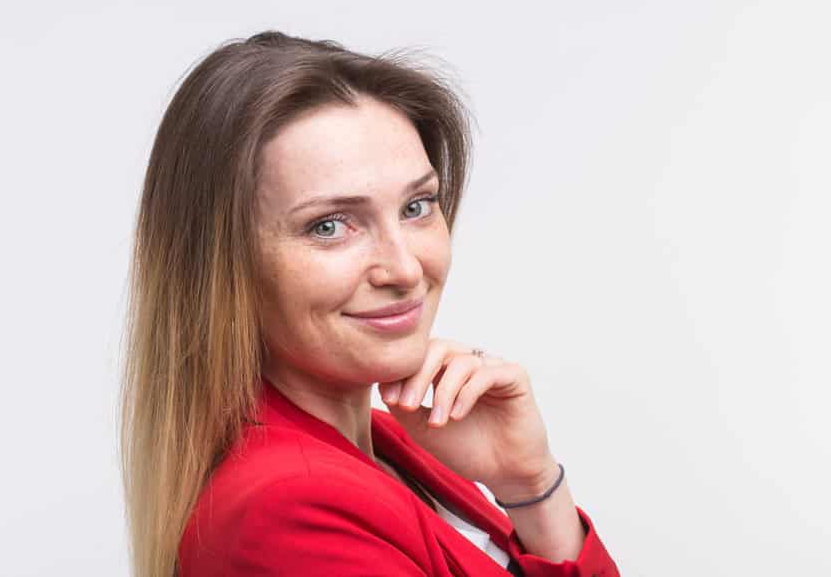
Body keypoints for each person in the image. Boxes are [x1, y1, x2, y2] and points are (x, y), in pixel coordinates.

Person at [119, 30, 620, 577]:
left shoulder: (394, 447)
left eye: (416, 206)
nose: (405, 269)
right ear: (224, 267)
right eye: (329, 226)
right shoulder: (288, 509)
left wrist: (530, 486)